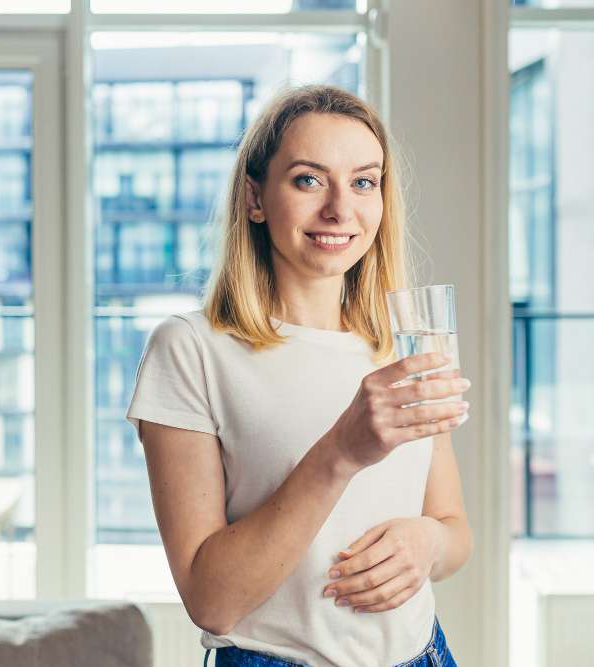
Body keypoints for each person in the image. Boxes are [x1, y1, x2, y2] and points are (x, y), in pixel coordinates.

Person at [125, 84, 472, 667]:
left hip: (423, 654)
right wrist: (341, 450)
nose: (340, 208)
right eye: (309, 180)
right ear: (255, 198)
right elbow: (211, 601)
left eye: (364, 181)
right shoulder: (190, 349)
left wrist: (428, 543)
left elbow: (454, 526)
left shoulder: (400, 342)